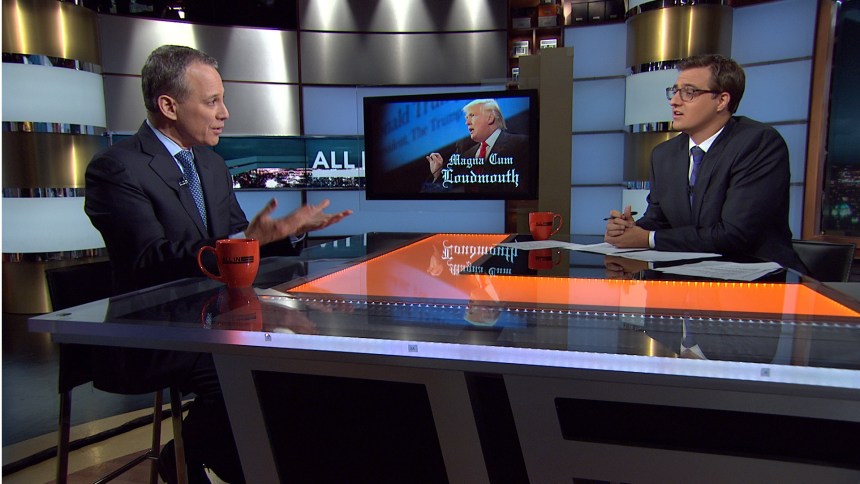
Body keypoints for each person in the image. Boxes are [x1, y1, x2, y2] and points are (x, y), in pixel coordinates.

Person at [84, 45, 351, 483]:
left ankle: (196, 451)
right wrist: (243, 243)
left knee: (302, 359)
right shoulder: (117, 168)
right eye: (212, 102)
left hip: (222, 319)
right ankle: (228, 460)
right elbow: (147, 258)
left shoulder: (210, 164)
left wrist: (283, 234)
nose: (224, 113)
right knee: (252, 375)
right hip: (156, 330)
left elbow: (240, 245)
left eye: (222, 100)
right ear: (168, 106)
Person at [604, 54, 805, 273]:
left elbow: (735, 235)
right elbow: (659, 220)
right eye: (674, 91)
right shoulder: (664, 154)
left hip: (757, 278)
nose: (674, 101)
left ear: (721, 101)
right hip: (689, 275)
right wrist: (628, 230)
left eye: (689, 92)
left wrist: (648, 238)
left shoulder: (758, 144)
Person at [423, 99, 528, 192]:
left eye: (472, 115)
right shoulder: (468, 155)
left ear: (490, 118)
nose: (467, 122)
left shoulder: (521, 143)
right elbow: (451, 191)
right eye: (466, 117)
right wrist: (438, 174)